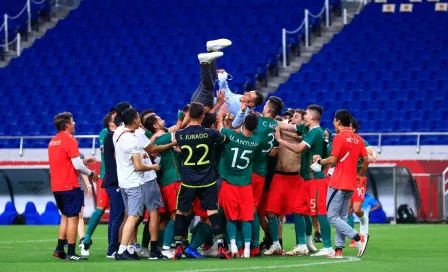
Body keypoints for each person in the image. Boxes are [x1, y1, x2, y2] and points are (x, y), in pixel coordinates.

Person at [172, 102, 229, 260]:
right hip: (208, 180)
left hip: (188, 181)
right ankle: (221, 248)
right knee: (212, 212)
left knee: (181, 212)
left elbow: (175, 137)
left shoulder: (180, 134)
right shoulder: (210, 133)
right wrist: (219, 119)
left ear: (189, 115)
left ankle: (177, 247)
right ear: (203, 116)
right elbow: (224, 139)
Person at [273, 105, 332, 257]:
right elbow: (287, 127)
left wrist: (279, 140)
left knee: (320, 213)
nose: (303, 116)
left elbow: (299, 149)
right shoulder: (308, 130)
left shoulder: (316, 132)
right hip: (306, 179)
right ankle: (301, 245)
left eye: (305, 114)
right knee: (298, 209)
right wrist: (266, 120)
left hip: (316, 179)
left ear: (312, 117)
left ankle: (328, 246)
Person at [312, 109, 369, 258]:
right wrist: (360, 175)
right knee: (341, 217)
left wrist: (319, 161)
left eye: (334, 121)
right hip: (351, 184)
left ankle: (358, 237)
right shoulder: (359, 139)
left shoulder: (339, 137)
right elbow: (366, 160)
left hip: (338, 182)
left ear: (337, 121)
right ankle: (338, 250)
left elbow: (332, 160)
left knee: (332, 217)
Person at [49, 112, 98, 261]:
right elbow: (77, 165)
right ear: (68, 125)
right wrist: (91, 173)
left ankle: (59, 249)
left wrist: (83, 161)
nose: (74, 123)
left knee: (65, 217)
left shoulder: (53, 141)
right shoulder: (69, 140)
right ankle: (71, 252)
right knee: (73, 218)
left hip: (57, 186)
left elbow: (67, 162)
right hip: (69, 185)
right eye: (72, 121)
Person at [113, 108, 161, 261]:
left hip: (124, 181)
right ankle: (122, 251)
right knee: (133, 217)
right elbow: (139, 166)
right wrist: (153, 166)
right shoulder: (132, 139)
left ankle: (127, 248)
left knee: (131, 216)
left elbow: (117, 155)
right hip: (134, 182)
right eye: (138, 118)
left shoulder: (118, 133)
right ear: (135, 120)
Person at [216, 108, 261, 258]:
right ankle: (247, 250)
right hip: (245, 185)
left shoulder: (231, 136)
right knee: (247, 217)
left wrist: (221, 116)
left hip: (229, 183)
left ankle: (233, 247)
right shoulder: (256, 142)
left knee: (231, 218)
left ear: (243, 123)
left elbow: (220, 128)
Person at [143, 114, 183, 258]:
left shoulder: (156, 139)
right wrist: (183, 119)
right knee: (176, 213)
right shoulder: (163, 137)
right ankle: (166, 247)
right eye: (160, 119)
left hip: (163, 180)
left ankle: (162, 246)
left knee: (166, 216)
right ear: (155, 125)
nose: (163, 120)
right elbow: (179, 131)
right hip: (172, 179)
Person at [249, 96, 284, 257]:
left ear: (269, 109)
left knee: (251, 210)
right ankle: (270, 242)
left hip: (250, 170)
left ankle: (250, 245)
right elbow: (274, 152)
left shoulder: (259, 123)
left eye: (265, 106)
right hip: (265, 172)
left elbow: (243, 135)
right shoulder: (276, 126)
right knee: (260, 210)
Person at [82, 111, 117, 255]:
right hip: (106, 175)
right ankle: (86, 239)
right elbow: (106, 149)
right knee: (101, 208)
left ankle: (115, 246)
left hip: (119, 176)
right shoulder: (104, 132)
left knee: (118, 212)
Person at [348, 118, 378, 247]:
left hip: (359, 179)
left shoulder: (361, 141)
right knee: (347, 210)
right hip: (346, 178)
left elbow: (371, 150)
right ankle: (353, 238)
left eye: (348, 127)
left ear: (354, 129)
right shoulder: (341, 141)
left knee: (356, 209)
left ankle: (364, 217)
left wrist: (374, 155)